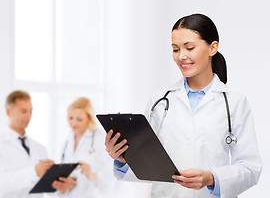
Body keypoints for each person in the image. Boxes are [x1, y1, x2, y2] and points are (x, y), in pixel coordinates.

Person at [105, 14, 262, 198]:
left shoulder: (235, 102)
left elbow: (250, 168)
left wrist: (211, 178)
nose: (181, 56)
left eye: (190, 48)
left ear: (213, 47)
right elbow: (148, 166)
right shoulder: (160, 101)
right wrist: (123, 159)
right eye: (175, 49)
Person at [52, 97, 115, 197]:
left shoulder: (100, 138)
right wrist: (66, 183)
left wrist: (91, 175)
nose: (74, 123)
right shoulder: (67, 141)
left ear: (89, 119)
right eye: (70, 118)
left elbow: (111, 180)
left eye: (79, 119)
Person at [0, 90, 54, 198]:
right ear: (8, 112)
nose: (28, 116)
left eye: (31, 111)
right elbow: (2, 184)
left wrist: (58, 184)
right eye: (23, 111)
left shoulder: (40, 148)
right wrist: (34, 172)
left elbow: (47, 189)